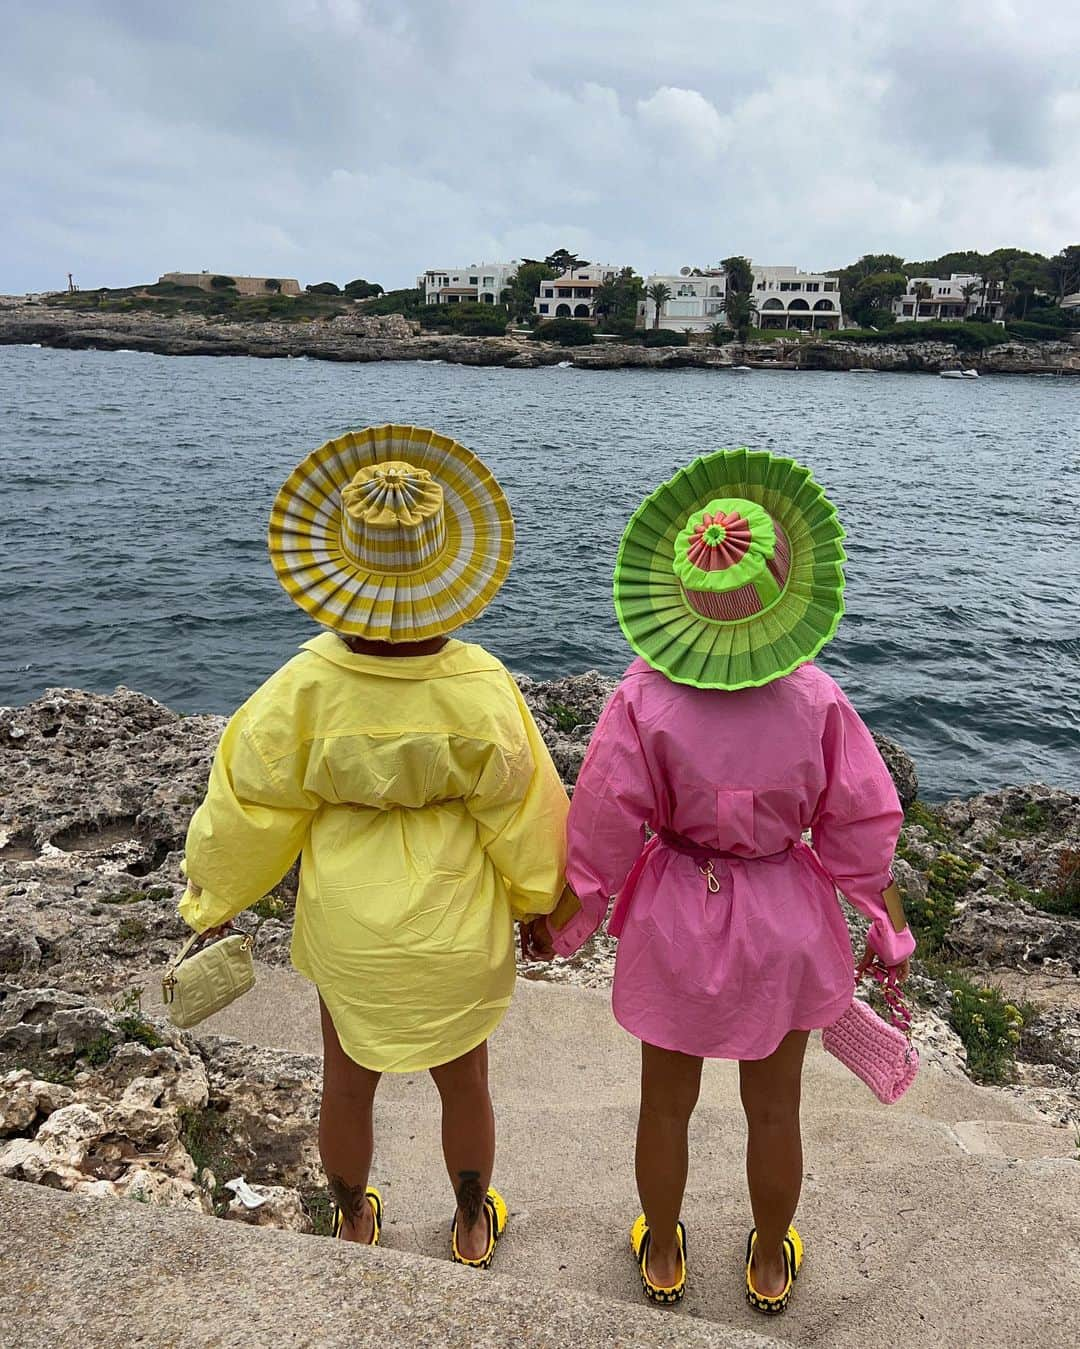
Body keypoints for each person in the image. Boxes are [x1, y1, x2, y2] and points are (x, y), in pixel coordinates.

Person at [531, 448, 915, 1313]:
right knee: (775, 1111)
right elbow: (861, 828)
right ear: (782, 594)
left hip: (675, 912)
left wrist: (563, 922)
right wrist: (888, 930)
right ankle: (771, 1261)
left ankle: (663, 1251)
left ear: (684, 601)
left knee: (664, 1106)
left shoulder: (642, 697)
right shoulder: (818, 700)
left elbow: (601, 826)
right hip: (784, 918)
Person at [179, 424, 570, 1267]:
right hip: (454, 920)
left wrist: (213, 902)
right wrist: (541, 904)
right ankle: (470, 1222)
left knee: (346, 1079)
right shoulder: (481, 683)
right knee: (465, 1080)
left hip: (350, 924)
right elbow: (526, 810)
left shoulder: (304, 684)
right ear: (447, 566)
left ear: (339, 564)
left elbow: (249, 806)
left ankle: (354, 1218)